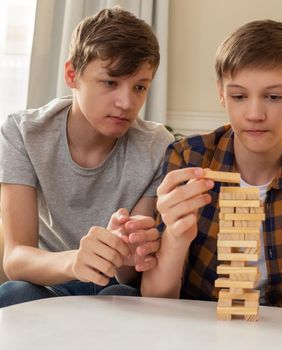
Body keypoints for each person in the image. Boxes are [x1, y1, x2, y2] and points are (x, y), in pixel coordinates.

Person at [141, 19, 282, 307]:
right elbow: (156, 297)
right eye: (238, 96)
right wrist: (176, 236)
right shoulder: (188, 158)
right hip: (200, 324)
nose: (254, 113)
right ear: (221, 94)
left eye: (273, 97)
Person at [0, 7, 174, 307]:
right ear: (72, 74)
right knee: (15, 294)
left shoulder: (157, 145)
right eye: (110, 82)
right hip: (49, 280)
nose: (126, 102)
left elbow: (130, 276)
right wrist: (75, 262)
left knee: (128, 302)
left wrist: (127, 252)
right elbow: (16, 259)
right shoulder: (23, 132)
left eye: (140, 87)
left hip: (114, 287)